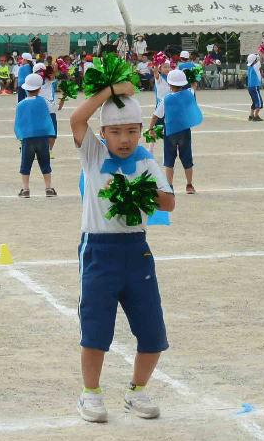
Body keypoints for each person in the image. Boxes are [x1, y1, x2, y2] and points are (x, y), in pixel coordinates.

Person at [66, 76, 175, 422]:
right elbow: (76, 120)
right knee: (96, 328)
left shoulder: (146, 161)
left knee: (153, 332)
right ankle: (91, 393)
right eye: (115, 131)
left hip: (136, 250)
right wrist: (111, 92)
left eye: (132, 131)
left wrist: (139, 192)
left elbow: (169, 203)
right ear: (104, 133)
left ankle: (137, 390)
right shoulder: (94, 154)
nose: (124, 140)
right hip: (99, 249)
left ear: (142, 130)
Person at [14, 75, 57, 197]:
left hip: (27, 138)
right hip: (42, 136)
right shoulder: (44, 101)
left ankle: (25, 189)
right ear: (39, 88)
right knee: (45, 162)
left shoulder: (20, 104)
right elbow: (53, 109)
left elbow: (19, 122)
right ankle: (48, 188)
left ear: (26, 89)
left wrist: (20, 136)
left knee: (25, 163)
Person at [160, 66, 202, 195]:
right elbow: (194, 85)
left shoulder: (165, 99)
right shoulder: (189, 94)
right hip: (184, 130)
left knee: (169, 159)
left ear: (169, 83)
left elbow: (157, 115)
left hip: (170, 131)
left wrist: (150, 128)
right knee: (187, 157)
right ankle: (189, 185)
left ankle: (169, 186)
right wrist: (193, 76)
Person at [244, 53, 264, 122]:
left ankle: (251, 115)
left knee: (254, 101)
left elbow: (258, 59)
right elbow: (261, 59)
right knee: (259, 102)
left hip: (250, 87)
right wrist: (262, 51)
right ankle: (256, 116)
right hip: (254, 87)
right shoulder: (255, 66)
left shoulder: (250, 67)